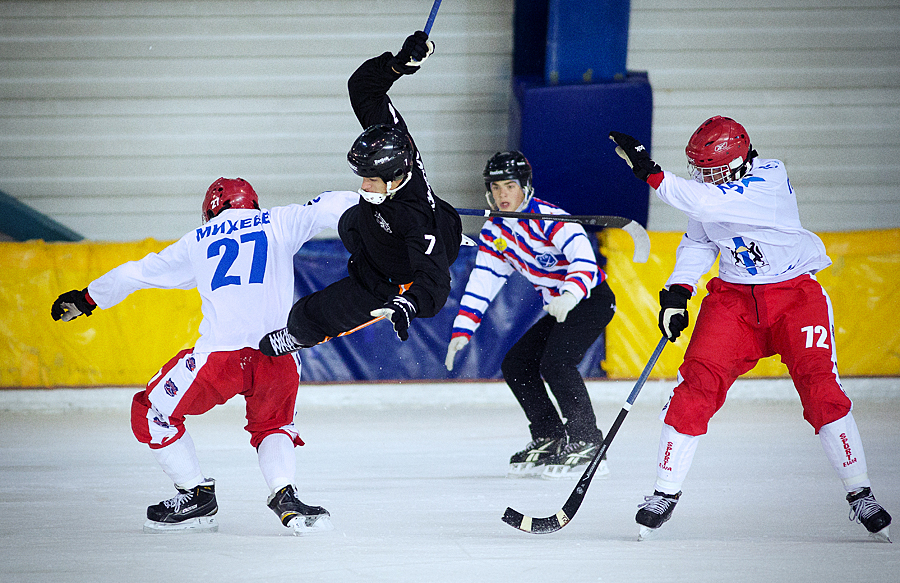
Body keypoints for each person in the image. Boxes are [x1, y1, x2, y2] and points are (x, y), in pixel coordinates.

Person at [609, 117, 892, 542]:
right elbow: (700, 237)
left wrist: (649, 170)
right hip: (734, 301)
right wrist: (677, 291)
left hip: (793, 297)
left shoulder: (770, 180)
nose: (704, 178)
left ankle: (861, 493)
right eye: (698, 170)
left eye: (713, 170)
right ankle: (663, 494)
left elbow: (705, 205)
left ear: (741, 161)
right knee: (695, 388)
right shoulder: (710, 193)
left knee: (820, 387)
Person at [51, 177, 358, 535]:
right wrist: (384, 206)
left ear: (212, 208)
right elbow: (330, 205)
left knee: (151, 412)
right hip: (278, 352)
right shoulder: (279, 221)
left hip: (220, 358)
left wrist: (87, 298)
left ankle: (195, 494)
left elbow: (136, 273)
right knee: (273, 426)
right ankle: (284, 494)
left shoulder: (198, 240)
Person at [259, 31, 462, 355]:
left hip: (392, 270)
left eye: (372, 179)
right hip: (371, 225)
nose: (363, 185)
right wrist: (396, 65)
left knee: (308, 315)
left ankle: (298, 336)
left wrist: (409, 304)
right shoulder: (394, 141)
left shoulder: (417, 222)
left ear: (396, 178)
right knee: (347, 217)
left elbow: (435, 281)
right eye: (362, 176)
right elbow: (363, 88)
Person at [444, 151, 617, 479]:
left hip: (589, 299)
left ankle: (587, 441)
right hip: (560, 308)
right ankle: (550, 437)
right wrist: (462, 329)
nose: (502, 195)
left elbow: (584, 260)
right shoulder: (496, 230)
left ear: (525, 187)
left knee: (555, 363)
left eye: (509, 186)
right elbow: (485, 279)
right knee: (516, 364)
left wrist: (569, 295)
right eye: (495, 188)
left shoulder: (550, 218)